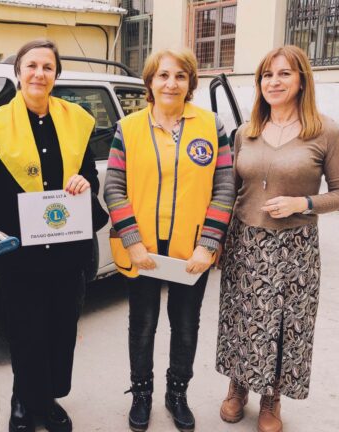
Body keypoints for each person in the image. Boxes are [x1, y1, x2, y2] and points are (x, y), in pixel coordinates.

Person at [0, 39, 105, 432]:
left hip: (67, 248)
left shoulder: (75, 121)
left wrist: (83, 181)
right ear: (18, 72)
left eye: (48, 67)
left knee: (60, 328)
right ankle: (23, 400)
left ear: (56, 75)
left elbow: (88, 176)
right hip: (19, 247)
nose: (39, 73)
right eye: (32, 66)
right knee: (26, 330)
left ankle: (48, 399)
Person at [216, 45, 339, 432]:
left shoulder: (325, 131)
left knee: (281, 323)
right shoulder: (246, 132)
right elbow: (230, 190)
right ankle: (238, 386)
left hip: (295, 244)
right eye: (267, 75)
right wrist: (219, 239)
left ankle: (271, 398)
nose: (274, 82)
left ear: (301, 81)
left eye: (284, 74)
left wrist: (302, 202)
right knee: (242, 317)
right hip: (245, 240)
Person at [104, 49, 235, 432]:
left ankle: (177, 394)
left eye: (180, 75)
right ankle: (141, 393)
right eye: (163, 75)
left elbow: (224, 187)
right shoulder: (128, 128)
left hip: (191, 251)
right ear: (150, 82)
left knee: (186, 325)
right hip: (142, 250)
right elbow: (114, 187)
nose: (171, 83)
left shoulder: (211, 126)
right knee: (142, 325)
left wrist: (208, 245)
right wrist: (132, 241)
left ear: (190, 82)